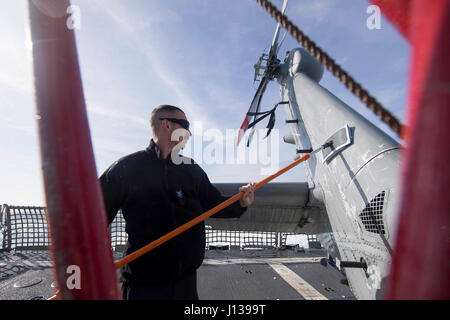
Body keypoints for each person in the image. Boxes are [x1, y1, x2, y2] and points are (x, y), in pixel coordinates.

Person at [100, 104, 256, 300]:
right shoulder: (126, 169)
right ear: (166, 125)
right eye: (185, 124)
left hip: (185, 284)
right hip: (143, 287)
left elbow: (213, 204)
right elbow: (94, 218)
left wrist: (241, 202)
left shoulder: (191, 170)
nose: (189, 132)